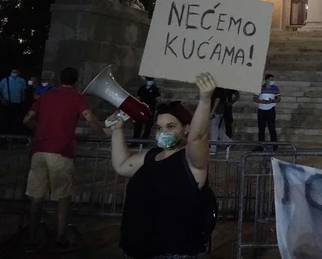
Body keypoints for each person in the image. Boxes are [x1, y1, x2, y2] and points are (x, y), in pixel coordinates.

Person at [109, 73, 215, 259]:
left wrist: (205, 99)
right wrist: (117, 130)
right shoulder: (151, 156)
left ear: (186, 129)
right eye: (159, 128)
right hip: (135, 249)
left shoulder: (191, 161)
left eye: (171, 126)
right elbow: (122, 165)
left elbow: (198, 137)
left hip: (172, 252)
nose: (163, 132)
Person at [22, 67, 106, 253]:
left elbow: (27, 119)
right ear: (75, 81)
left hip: (39, 151)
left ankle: (31, 239)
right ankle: (60, 239)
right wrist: (102, 135)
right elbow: (89, 118)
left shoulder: (46, 96)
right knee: (63, 198)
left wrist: (41, 131)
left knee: (36, 199)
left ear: (60, 79)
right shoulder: (77, 98)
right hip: (61, 152)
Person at [254, 74, 280, 148]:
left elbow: (279, 99)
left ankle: (274, 146)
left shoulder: (275, 88)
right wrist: (262, 101)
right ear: (266, 80)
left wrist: (272, 101)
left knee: (272, 128)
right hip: (261, 110)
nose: (272, 81)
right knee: (261, 128)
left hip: (271, 109)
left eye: (273, 80)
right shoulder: (260, 88)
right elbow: (255, 98)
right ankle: (261, 146)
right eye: (271, 80)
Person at [1, 68, 26, 134]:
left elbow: (23, 92)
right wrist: (2, 100)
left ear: (19, 73)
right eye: (13, 72)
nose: (14, 73)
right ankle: (4, 134)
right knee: (5, 120)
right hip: (6, 103)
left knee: (16, 120)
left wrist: (23, 102)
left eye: (15, 72)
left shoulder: (21, 81)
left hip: (17, 104)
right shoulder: (4, 80)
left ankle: (14, 134)